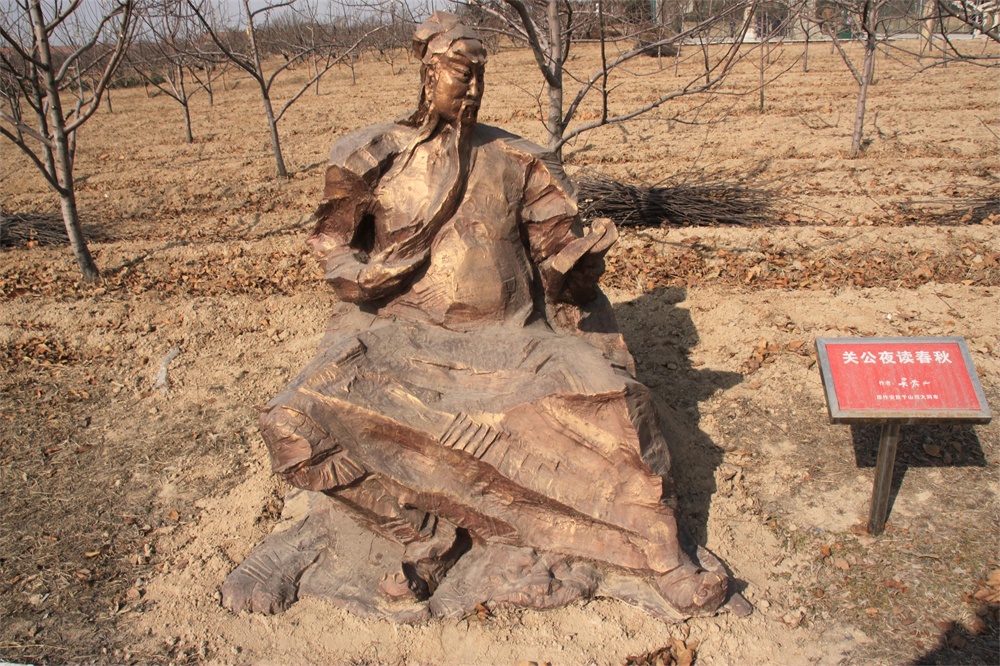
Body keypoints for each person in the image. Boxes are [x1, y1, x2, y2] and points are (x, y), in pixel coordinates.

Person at [248, 12, 729, 618]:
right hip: (403, 341)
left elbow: (558, 267)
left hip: (516, 342)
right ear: (429, 74)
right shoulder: (371, 157)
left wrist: (579, 267)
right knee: (293, 423)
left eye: (481, 75)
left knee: (611, 404)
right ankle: (425, 533)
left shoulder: (520, 159)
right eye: (461, 73)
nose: (473, 88)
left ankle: (663, 557)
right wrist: (361, 276)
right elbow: (331, 245)